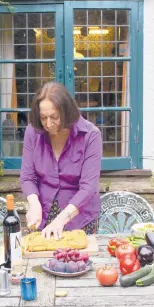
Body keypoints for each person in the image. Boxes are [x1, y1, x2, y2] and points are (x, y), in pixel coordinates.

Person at [20, 82, 103, 240]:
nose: (49, 124)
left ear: (66, 112)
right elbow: (27, 177)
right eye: (43, 117)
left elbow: (89, 187)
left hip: (79, 217)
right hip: (43, 213)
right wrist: (34, 203)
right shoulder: (32, 132)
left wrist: (61, 220)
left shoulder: (91, 135)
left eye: (54, 117)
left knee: (76, 262)